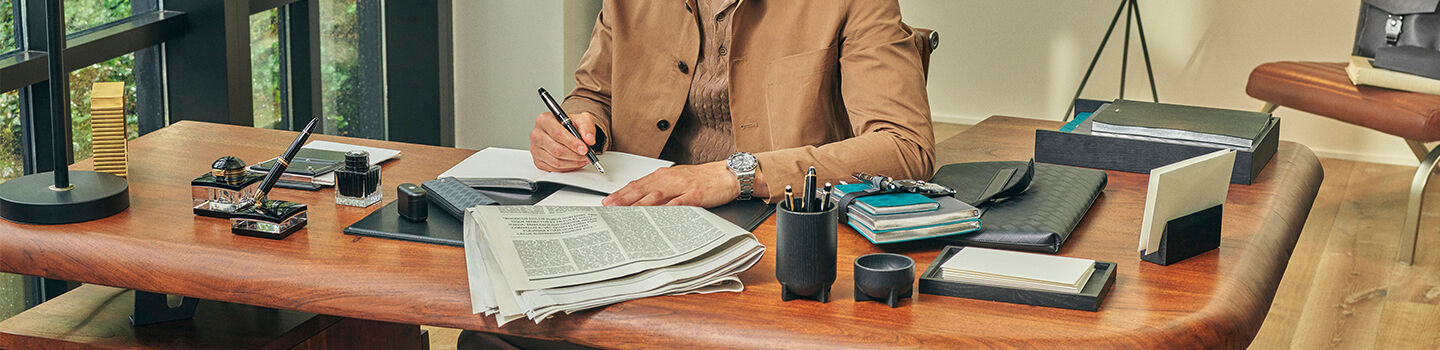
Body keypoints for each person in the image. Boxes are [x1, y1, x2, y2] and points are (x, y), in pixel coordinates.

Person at [529, 0, 935, 209]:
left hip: (778, 229)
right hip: (637, 215)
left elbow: (904, 145)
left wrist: (735, 176)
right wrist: (580, 126)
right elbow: (594, 95)